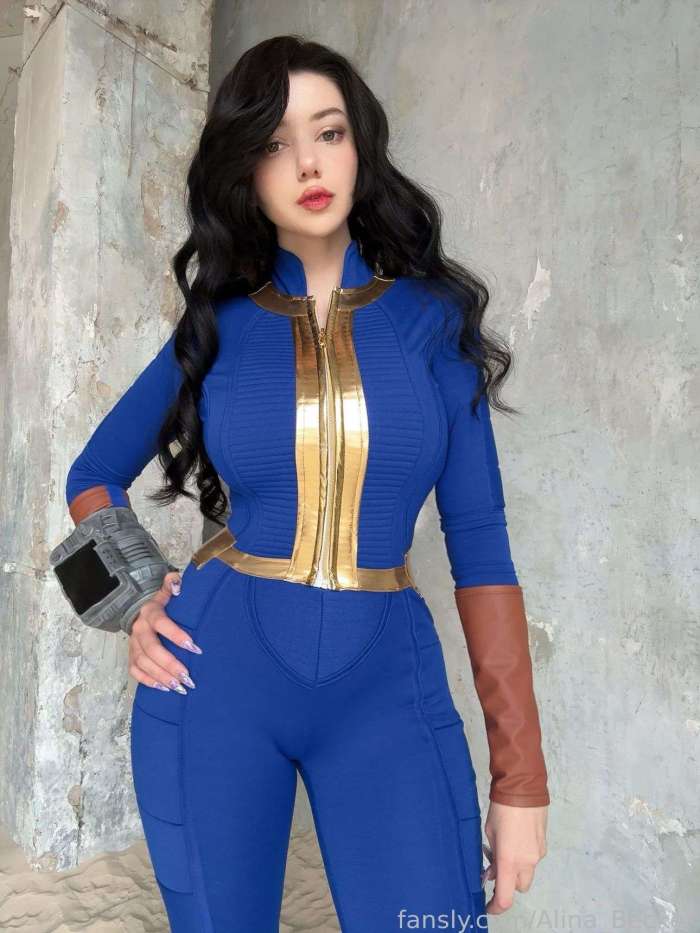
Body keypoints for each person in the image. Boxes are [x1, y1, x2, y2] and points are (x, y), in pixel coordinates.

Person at [59, 36, 549, 933]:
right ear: (246, 172)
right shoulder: (215, 326)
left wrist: (522, 781)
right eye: (275, 143)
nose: (308, 164)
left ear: (361, 146)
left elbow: (481, 549)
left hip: (387, 684)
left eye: (328, 132)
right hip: (212, 683)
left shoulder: (435, 325)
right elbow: (91, 475)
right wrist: (133, 600)